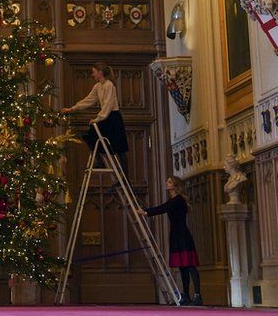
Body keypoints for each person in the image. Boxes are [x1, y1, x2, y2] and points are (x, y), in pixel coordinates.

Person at [137, 176, 202, 306]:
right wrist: (146, 212)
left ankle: (198, 295)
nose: (167, 183)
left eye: (170, 181)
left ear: (176, 185)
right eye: (167, 181)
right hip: (176, 235)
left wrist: (146, 212)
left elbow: (163, 208)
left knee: (189, 265)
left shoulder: (178, 200)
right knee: (183, 267)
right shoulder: (173, 200)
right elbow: (164, 206)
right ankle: (186, 295)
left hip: (183, 235)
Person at [60, 62, 127, 174]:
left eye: (94, 72)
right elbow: (88, 100)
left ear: (100, 72)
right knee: (90, 137)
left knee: (119, 149)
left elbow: (108, 105)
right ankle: (100, 160)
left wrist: (98, 118)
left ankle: (125, 178)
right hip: (105, 117)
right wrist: (72, 109)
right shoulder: (97, 86)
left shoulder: (109, 85)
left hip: (112, 117)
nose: (92, 74)